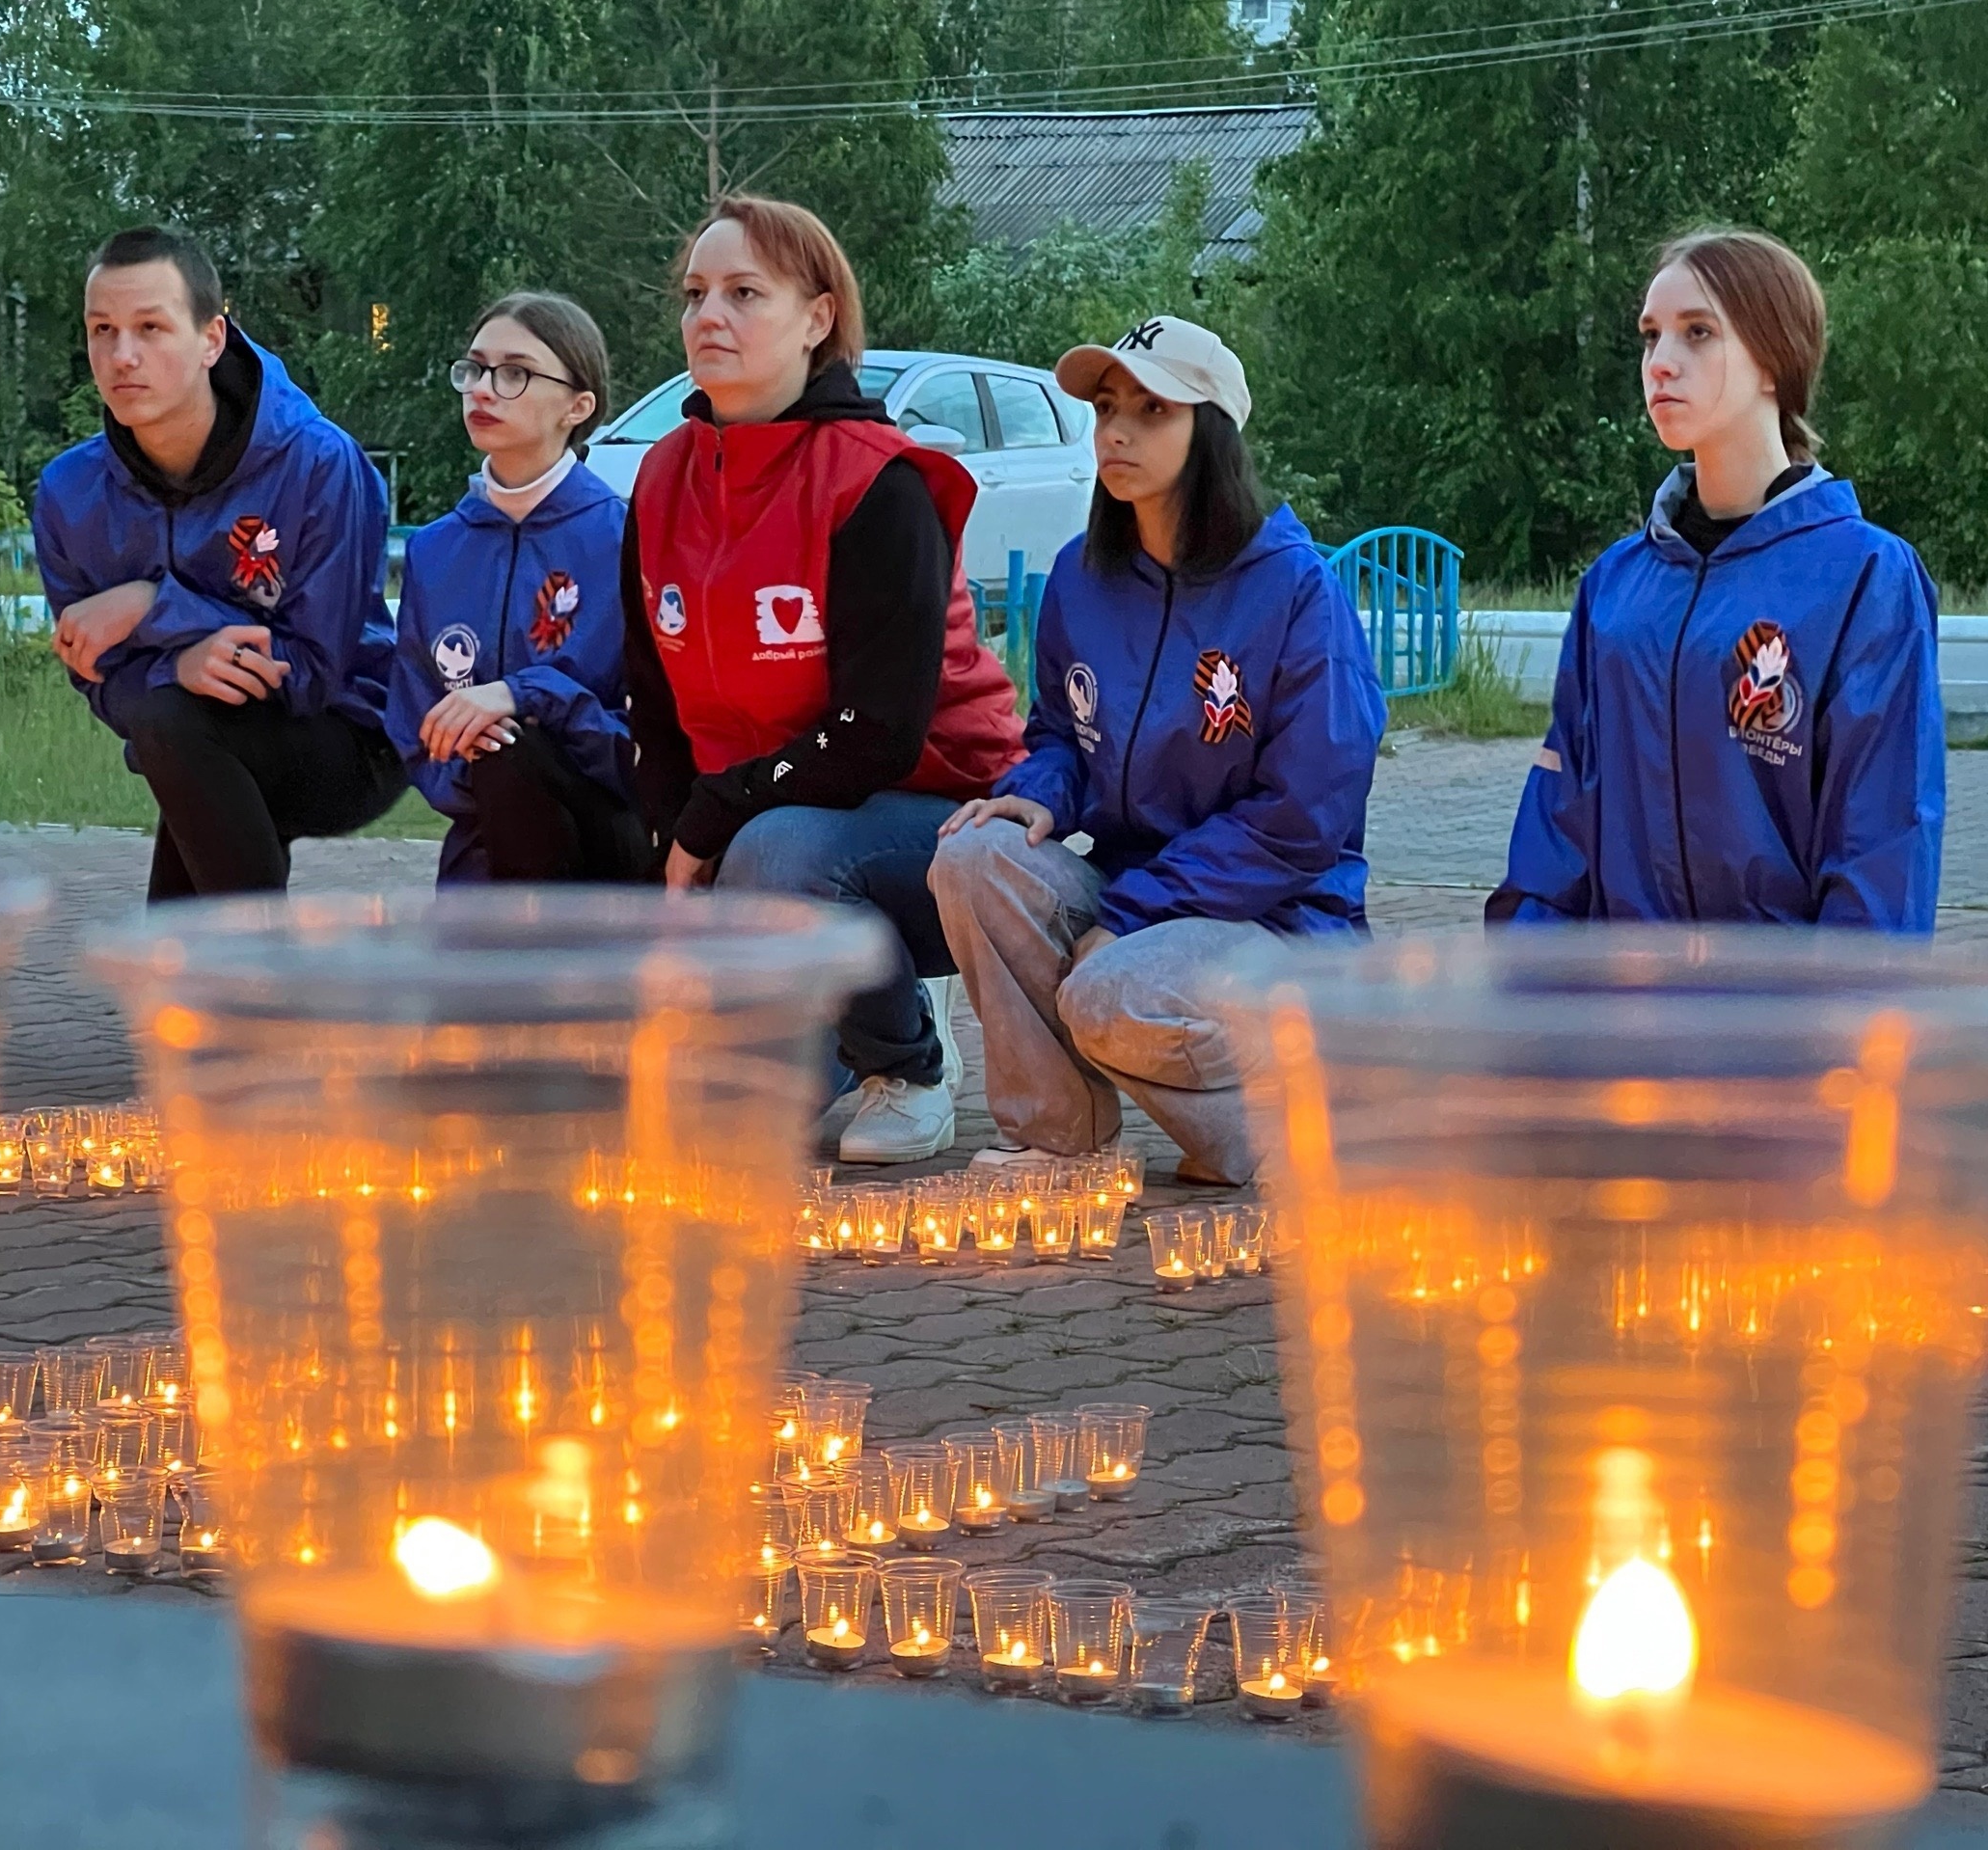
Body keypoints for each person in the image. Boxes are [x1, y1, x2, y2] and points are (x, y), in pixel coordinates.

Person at [929, 316, 1384, 1185]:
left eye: (1152, 409)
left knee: (1110, 991)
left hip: (1278, 920)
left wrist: (1126, 918)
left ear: (1209, 430)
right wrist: (1041, 791)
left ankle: (1287, 1121)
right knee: (975, 857)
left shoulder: (1296, 592)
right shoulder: (1080, 576)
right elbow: (1064, 732)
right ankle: (1058, 1144)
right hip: (1140, 895)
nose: (1117, 431)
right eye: (1106, 408)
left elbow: (1302, 822)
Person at [622, 195, 1026, 1164]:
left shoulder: (879, 482)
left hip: (939, 825)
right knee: (707, 1117)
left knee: (778, 850)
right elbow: (655, 705)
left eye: (744, 293)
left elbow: (877, 733)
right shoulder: (661, 477)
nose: (708, 317)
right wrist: (676, 873)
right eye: (695, 295)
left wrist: (710, 828)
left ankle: (912, 1062)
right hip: (769, 827)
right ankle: (845, 1010)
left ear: (817, 319)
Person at [1491, 229, 1943, 928]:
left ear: (1774, 359)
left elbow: (1882, 851)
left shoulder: (1864, 579)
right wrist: (1533, 997)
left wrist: (1828, 1029)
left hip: (1778, 1026)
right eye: (1650, 336)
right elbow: (1558, 836)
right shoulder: (1616, 587)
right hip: (1620, 1023)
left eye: (1697, 332)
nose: (1661, 364)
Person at [34, 225, 402, 901]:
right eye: (102, 330)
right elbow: (97, 678)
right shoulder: (70, 495)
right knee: (171, 728)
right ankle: (215, 984)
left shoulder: (318, 464)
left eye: (151, 328)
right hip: (187, 736)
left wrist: (152, 606)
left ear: (212, 339)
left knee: (174, 726)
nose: (122, 356)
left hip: (348, 736)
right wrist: (178, 663)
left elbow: (315, 671)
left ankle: (250, 983)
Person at [388, 292, 647, 883]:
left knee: (513, 750)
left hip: (607, 855)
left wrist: (527, 696)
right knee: (501, 756)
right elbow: (414, 729)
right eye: (475, 369)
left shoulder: (628, 540)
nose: (482, 389)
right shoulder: (433, 552)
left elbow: (650, 749)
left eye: (515, 374)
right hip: (481, 864)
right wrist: (479, 755)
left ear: (577, 406)